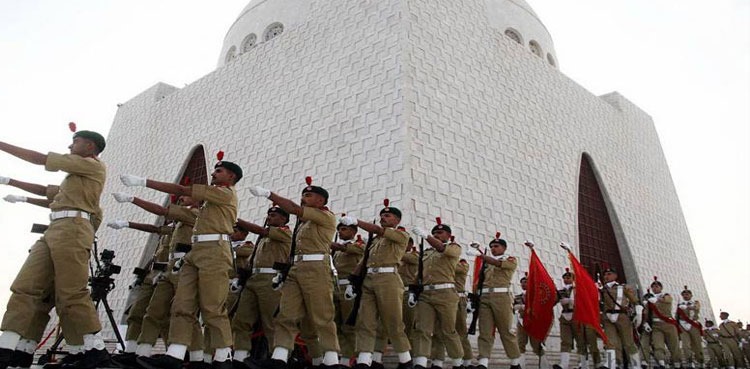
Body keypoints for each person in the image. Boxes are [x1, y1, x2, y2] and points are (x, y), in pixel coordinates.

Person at [0, 130, 109, 369]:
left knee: (70, 292)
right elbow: (46, 192)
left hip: (73, 228)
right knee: (26, 287)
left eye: (75, 142)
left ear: (90, 147)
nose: (70, 146)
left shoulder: (93, 166)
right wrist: (12, 184)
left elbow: (41, 159)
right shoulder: (75, 176)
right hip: (55, 227)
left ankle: (94, 348)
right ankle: (10, 346)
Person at [122, 158, 243, 369]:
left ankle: (224, 356)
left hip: (215, 252)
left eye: (219, 171)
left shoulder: (225, 193)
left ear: (231, 177)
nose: (213, 173)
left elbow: (180, 188)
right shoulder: (209, 201)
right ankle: (176, 354)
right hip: (195, 253)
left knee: (212, 307)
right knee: (182, 304)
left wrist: (143, 182)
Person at [245, 177, 340, 369]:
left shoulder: (326, 216)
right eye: (303, 195)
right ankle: (279, 357)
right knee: (286, 314)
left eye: (308, 195)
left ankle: (331, 360)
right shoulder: (303, 224)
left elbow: (294, 209)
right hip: (296, 270)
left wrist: (269, 194)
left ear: (321, 201)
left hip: (316, 270)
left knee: (322, 316)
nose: (303, 198)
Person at [109, 193, 206, 368]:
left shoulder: (195, 214)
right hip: (169, 267)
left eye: (185, 196)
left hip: (185, 267)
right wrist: (128, 224)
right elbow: (158, 229)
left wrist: (133, 199)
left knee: (185, 313)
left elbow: (162, 211)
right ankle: (140, 353)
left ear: (198, 199)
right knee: (153, 311)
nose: (180, 198)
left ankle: (197, 358)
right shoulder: (179, 223)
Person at [338, 200, 413, 369]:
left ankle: (405, 360)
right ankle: (364, 360)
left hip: (388, 280)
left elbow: (379, 229)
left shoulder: (401, 235)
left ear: (397, 220)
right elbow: (364, 261)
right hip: (369, 281)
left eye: (387, 215)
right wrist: (352, 281)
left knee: (392, 322)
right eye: (381, 216)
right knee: (365, 321)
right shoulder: (375, 241)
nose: (383, 218)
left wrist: (357, 222)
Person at [105, 218, 173, 365]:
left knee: (159, 315)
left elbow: (154, 229)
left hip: (169, 275)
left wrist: (128, 223)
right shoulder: (168, 230)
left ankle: (151, 353)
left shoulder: (186, 223)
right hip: (152, 274)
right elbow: (156, 254)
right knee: (136, 312)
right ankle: (131, 350)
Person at [231, 206, 292, 367]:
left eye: (274, 215)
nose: (269, 217)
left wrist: (233, 217)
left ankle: (277, 357)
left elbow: (263, 231)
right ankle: (240, 356)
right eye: (269, 215)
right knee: (242, 320)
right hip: (253, 279)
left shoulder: (285, 233)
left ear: (284, 219)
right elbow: (251, 259)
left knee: (271, 321)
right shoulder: (262, 239)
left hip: (270, 279)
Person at [410, 218, 463, 369]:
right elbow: (420, 273)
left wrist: (427, 236)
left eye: (440, 232)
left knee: (447, 331)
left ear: (448, 235)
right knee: (423, 329)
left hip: (445, 293)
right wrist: (413, 291)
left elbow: (442, 248)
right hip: (426, 294)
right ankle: (421, 362)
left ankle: (457, 362)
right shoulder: (426, 252)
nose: (437, 234)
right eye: (434, 233)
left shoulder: (454, 248)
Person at [474, 235, 521, 369]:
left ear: (504, 248)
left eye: (496, 246)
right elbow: (481, 280)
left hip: (502, 297)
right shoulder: (487, 263)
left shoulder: (510, 260)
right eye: (491, 247)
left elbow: (498, 264)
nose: (493, 249)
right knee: (485, 331)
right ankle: (483, 362)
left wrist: (481, 255)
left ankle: (515, 362)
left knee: (505, 330)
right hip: (485, 297)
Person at [430, 246, 474, 369]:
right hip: (443, 295)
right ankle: (437, 360)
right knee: (438, 330)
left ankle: (466, 360)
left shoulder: (461, 264)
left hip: (458, 299)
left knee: (460, 331)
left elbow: (452, 268)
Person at [330, 218, 364, 366]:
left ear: (353, 232)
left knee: (349, 326)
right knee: (335, 324)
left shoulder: (359, 245)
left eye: (344, 229)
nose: (340, 232)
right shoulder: (337, 250)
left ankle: (355, 358)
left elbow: (352, 250)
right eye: (340, 229)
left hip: (349, 289)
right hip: (335, 287)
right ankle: (343, 356)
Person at [599, 266, 643, 369]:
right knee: (610, 342)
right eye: (605, 274)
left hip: (622, 317)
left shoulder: (623, 287)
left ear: (615, 276)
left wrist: (639, 313)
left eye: (609, 274)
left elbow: (635, 301)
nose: (606, 276)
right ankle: (611, 364)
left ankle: (636, 365)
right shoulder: (602, 289)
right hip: (608, 317)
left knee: (629, 343)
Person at [514, 272, 551, 369]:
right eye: (522, 282)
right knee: (520, 343)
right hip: (521, 322)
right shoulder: (518, 297)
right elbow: (512, 307)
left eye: (526, 282)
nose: (523, 284)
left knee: (536, 345)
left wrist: (525, 307)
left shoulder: (535, 296)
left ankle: (544, 365)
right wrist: (515, 307)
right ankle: (521, 365)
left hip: (533, 322)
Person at [643, 277, 681, 369]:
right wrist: (645, 323)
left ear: (661, 288)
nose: (655, 288)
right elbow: (646, 313)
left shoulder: (666, 295)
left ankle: (677, 363)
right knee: (658, 345)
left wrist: (656, 300)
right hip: (656, 325)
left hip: (668, 324)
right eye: (653, 287)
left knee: (673, 345)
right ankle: (661, 362)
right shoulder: (649, 300)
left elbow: (668, 300)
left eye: (657, 286)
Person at [676, 286, 703, 369]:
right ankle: (690, 361)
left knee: (697, 344)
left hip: (693, 325)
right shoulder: (680, 304)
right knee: (685, 345)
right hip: (683, 325)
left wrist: (687, 307)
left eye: (687, 294)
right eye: (684, 294)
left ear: (691, 295)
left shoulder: (695, 302)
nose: (685, 296)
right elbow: (677, 316)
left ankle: (700, 361)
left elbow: (696, 308)